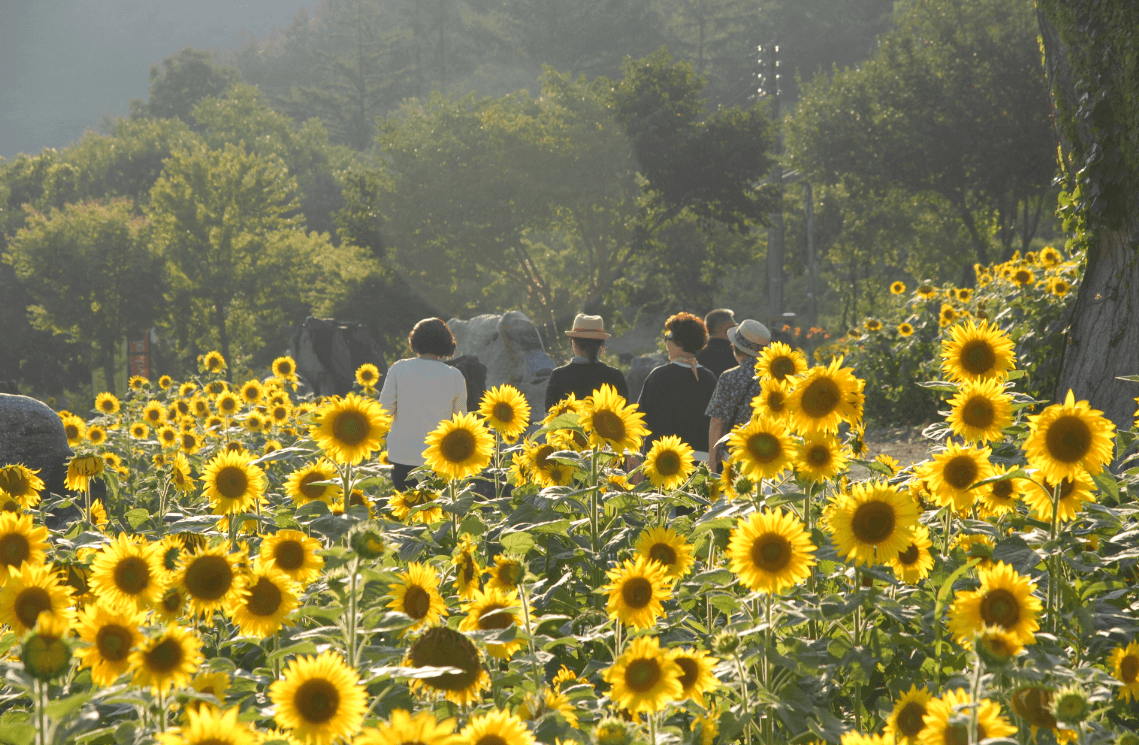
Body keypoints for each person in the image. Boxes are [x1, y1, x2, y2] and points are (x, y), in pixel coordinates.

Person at [379, 318, 468, 491]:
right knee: (436, 512)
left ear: (415, 341)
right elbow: (461, 422)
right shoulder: (455, 376)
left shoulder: (399, 369)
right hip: (438, 458)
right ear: (446, 344)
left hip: (402, 456)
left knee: (406, 510)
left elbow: (384, 411)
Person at [637, 312, 717, 460]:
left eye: (668, 337)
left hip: (661, 462)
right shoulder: (709, 378)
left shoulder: (659, 376)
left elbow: (640, 421)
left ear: (678, 343)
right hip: (700, 462)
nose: (666, 342)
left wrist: (634, 456)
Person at [705, 319, 771, 473]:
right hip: (768, 454)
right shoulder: (774, 377)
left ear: (735, 348)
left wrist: (712, 464)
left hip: (733, 455)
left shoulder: (729, 377)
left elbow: (716, 422)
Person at [544, 314, 629, 411]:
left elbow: (549, 421)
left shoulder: (559, 376)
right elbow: (623, 416)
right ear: (601, 345)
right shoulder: (615, 376)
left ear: (574, 343)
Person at [696, 308, 738, 378]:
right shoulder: (737, 355)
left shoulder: (696, 357)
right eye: (733, 326)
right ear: (719, 329)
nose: (735, 329)